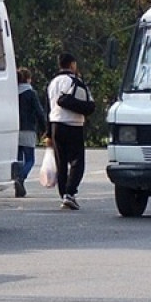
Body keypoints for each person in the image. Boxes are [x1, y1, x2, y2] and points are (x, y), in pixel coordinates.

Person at [46, 52, 93, 210]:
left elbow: (50, 107)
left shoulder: (53, 83)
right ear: (72, 64)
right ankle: (70, 193)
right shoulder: (74, 81)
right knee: (77, 161)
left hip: (55, 125)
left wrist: (48, 133)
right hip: (73, 125)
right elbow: (88, 104)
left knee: (61, 163)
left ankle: (64, 195)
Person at [15, 67, 47, 198]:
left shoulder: (12, 93)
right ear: (28, 79)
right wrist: (45, 128)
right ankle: (21, 178)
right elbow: (39, 112)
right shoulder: (31, 93)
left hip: (14, 129)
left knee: (18, 159)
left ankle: (17, 179)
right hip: (28, 129)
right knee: (30, 159)